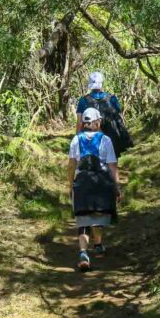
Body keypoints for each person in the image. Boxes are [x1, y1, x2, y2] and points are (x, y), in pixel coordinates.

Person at [68, 107, 123, 272]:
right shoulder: (106, 140)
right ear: (98, 122)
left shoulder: (76, 140)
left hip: (82, 182)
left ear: (84, 123)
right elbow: (112, 166)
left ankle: (84, 253)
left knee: (83, 216)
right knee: (98, 213)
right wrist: (117, 187)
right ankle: (98, 245)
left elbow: (71, 165)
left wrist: (70, 184)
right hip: (101, 182)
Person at [75, 71, 133, 156]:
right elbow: (120, 118)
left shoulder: (83, 100)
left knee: (92, 161)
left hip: (91, 137)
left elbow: (80, 122)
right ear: (102, 83)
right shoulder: (112, 98)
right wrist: (123, 135)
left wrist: (77, 138)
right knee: (112, 161)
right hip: (112, 137)